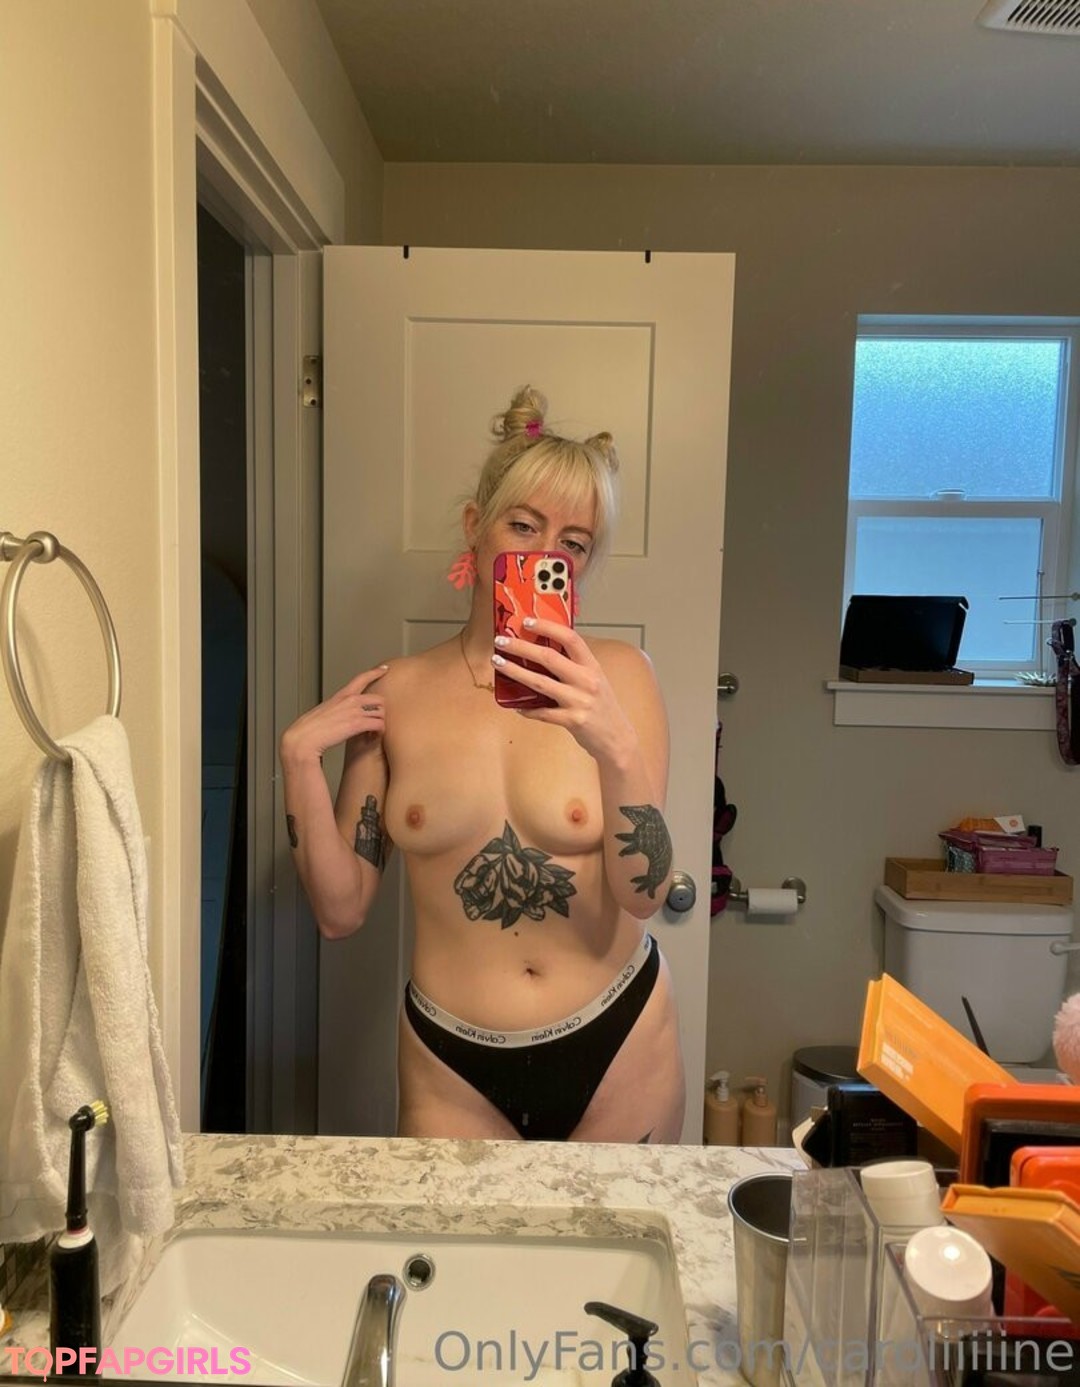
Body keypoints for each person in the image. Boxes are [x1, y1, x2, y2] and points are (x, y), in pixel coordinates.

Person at [279, 386, 685, 1142]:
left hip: (620, 1040)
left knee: (618, 1229)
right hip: (451, 1064)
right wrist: (298, 759)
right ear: (475, 525)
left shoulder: (623, 680)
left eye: (573, 543)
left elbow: (646, 894)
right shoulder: (396, 694)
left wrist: (614, 744)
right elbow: (340, 911)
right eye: (523, 525)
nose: (544, 555)